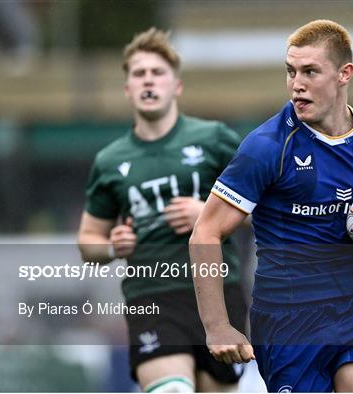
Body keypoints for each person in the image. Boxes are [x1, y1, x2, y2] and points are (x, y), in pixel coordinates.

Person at [189, 20, 353, 392]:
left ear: (345, 74)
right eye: (291, 71)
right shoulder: (267, 147)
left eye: (311, 71)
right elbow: (207, 231)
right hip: (287, 319)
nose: (297, 83)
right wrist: (216, 326)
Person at [77, 27, 246, 393]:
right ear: (128, 89)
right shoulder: (110, 161)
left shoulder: (214, 139)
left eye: (157, 73)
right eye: (139, 74)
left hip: (218, 291)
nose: (148, 81)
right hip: (150, 295)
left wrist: (208, 214)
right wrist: (111, 247)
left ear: (177, 86)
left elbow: (260, 209)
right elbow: (88, 242)